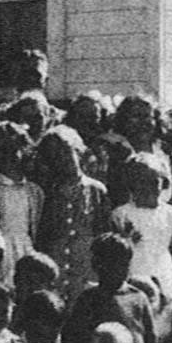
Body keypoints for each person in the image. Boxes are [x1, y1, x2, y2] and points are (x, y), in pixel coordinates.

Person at [62, 233, 159, 343]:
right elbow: (72, 339)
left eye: (124, 264)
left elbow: (151, 340)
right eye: (112, 264)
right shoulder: (88, 298)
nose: (120, 270)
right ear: (97, 265)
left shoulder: (138, 298)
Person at [111, 153, 172, 335]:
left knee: (161, 323)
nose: (148, 187)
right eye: (140, 181)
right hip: (133, 268)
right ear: (131, 184)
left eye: (154, 181)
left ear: (164, 183)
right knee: (132, 323)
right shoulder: (122, 214)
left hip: (162, 269)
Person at [35, 125, 110, 303]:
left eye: (65, 151)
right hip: (57, 266)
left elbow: (103, 232)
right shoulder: (47, 192)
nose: (62, 159)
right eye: (54, 156)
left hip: (86, 267)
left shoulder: (96, 190)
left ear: (77, 150)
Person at [0, 121, 44, 287]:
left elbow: (34, 226)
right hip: (0, 252)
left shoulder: (33, 190)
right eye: (1, 150)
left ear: (23, 150)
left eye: (13, 150)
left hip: (26, 250)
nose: (7, 155)